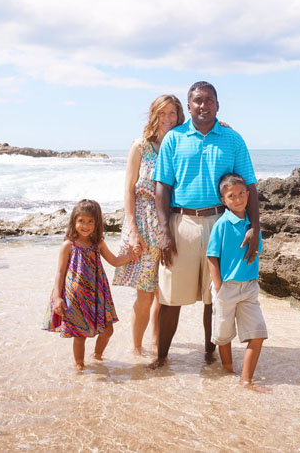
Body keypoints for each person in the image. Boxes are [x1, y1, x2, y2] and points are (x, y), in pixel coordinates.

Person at [150, 81, 260, 369]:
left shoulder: (233, 140)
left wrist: (255, 228)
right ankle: (161, 358)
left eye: (209, 100)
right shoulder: (174, 139)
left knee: (215, 296)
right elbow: (162, 187)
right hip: (181, 222)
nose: (203, 105)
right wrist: (164, 231)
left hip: (222, 224)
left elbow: (249, 185)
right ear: (189, 106)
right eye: (197, 100)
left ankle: (210, 355)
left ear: (217, 105)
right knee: (170, 296)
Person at [112, 94, 185, 355]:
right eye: (162, 113)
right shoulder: (140, 146)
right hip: (142, 226)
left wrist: (223, 126)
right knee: (144, 295)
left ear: (179, 117)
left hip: (170, 226)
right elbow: (128, 190)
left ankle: (156, 347)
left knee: (163, 294)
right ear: (154, 115)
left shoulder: (181, 147)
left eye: (172, 114)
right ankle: (136, 350)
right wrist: (132, 230)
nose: (167, 119)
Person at [42, 199, 136, 371]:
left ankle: (97, 356)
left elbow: (114, 261)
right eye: (81, 221)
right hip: (75, 297)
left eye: (90, 221)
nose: (85, 225)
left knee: (108, 330)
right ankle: (79, 365)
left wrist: (131, 256)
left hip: (97, 294)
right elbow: (60, 273)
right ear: (74, 221)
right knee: (80, 335)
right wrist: (57, 297)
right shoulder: (68, 245)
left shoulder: (97, 243)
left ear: (96, 222)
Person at [207, 173, 268, 390]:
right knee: (224, 335)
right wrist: (218, 287)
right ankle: (228, 370)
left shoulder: (254, 227)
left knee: (258, 333)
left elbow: (254, 253)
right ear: (224, 201)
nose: (238, 199)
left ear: (248, 195)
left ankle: (246, 380)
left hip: (249, 287)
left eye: (242, 193)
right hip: (226, 287)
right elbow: (212, 256)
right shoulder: (222, 224)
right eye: (231, 196)